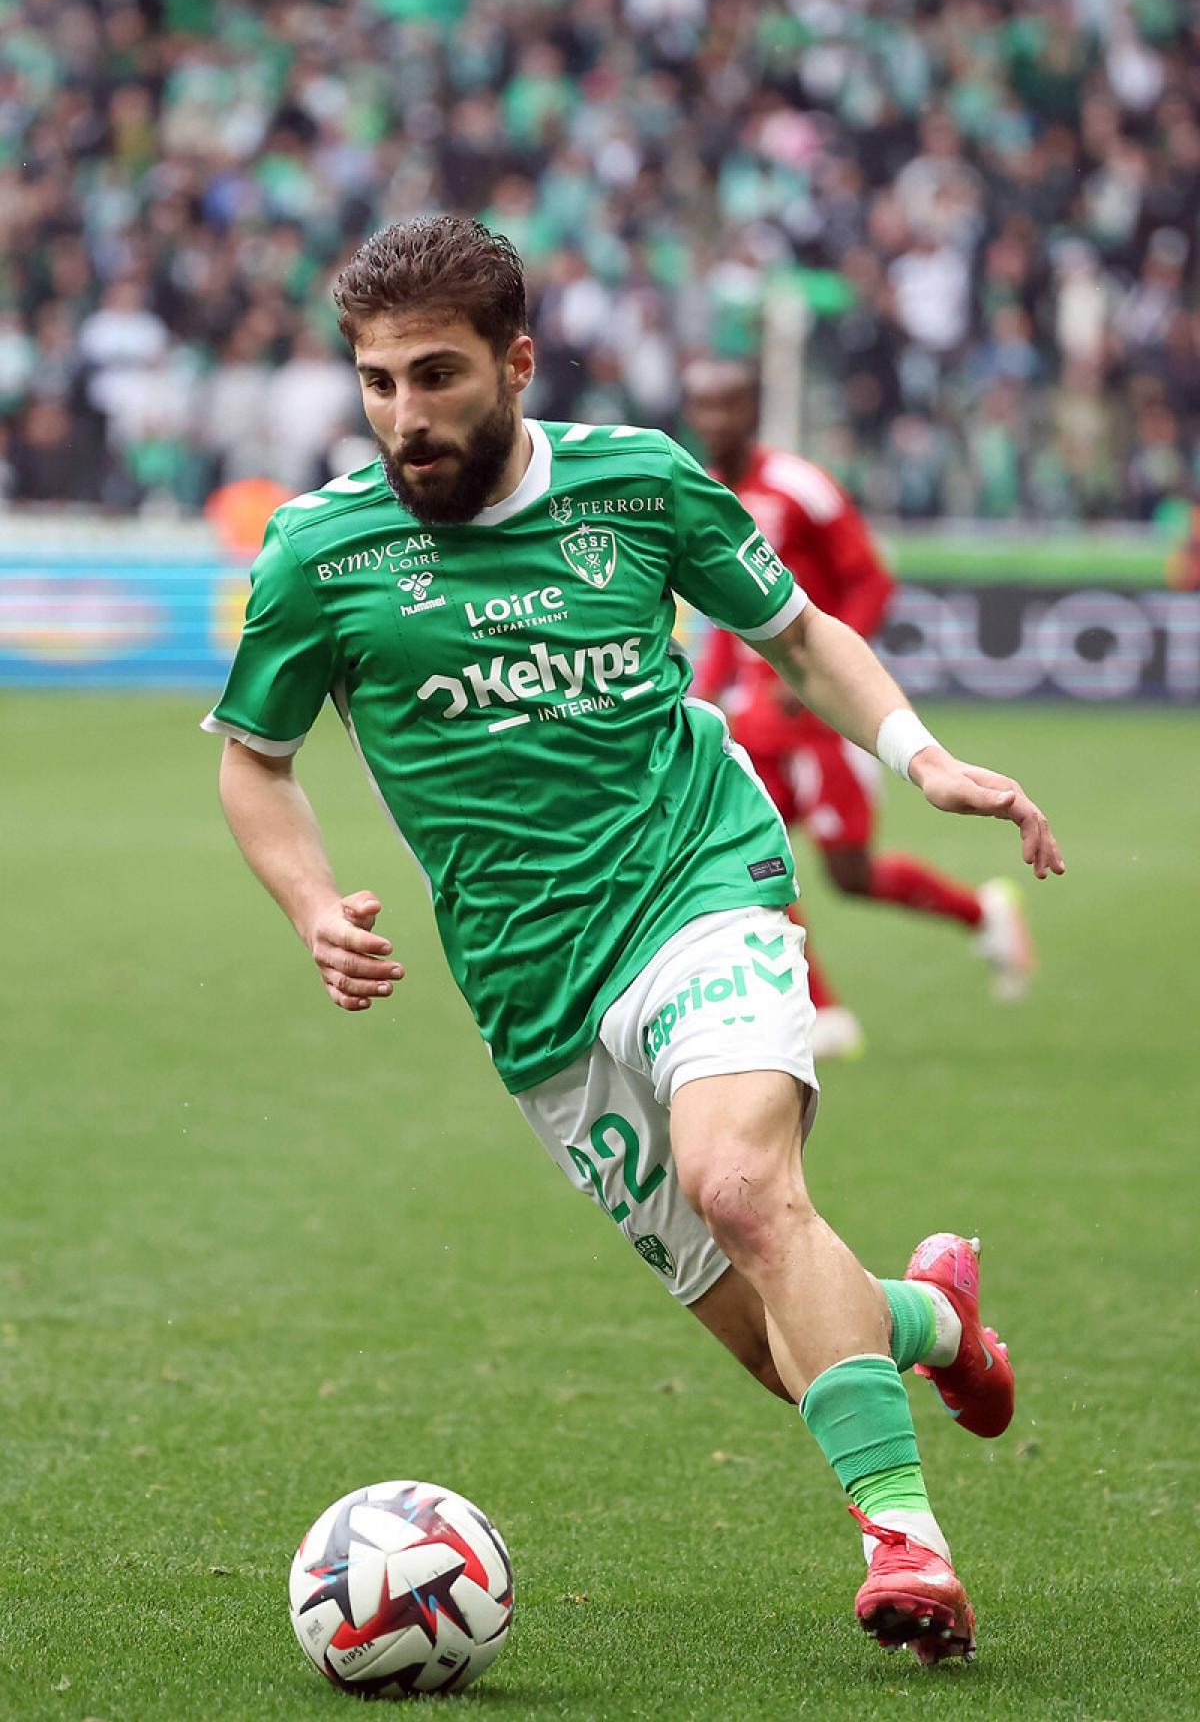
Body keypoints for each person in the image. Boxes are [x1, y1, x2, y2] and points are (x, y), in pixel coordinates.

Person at [204, 217, 1064, 1665]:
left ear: (517, 363)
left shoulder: (639, 483)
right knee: (780, 1344)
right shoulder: (319, 551)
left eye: (437, 376)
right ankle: (932, 1322)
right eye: (378, 383)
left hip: (698, 880)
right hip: (531, 986)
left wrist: (921, 760)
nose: (406, 417)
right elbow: (256, 760)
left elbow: (798, 634)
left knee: (742, 1186)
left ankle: (906, 1549)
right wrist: (311, 904)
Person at [682, 357, 1035, 1060]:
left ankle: (981, 913)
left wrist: (818, 669)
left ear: (753, 407)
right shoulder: (705, 492)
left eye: (728, 405)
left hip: (822, 718)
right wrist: (705, 690)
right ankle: (822, 1010)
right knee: (744, 853)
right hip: (759, 722)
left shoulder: (801, 487)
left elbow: (871, 581)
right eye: (704, 408)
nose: (715, 421)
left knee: (849, 873)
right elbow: (726, 616)